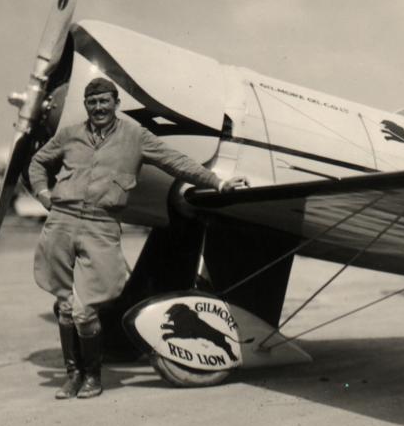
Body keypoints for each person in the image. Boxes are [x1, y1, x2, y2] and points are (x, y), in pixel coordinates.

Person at [29, 77, 248, 400]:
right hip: (61, 222)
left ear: (116, 104)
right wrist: (43, 194)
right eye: (92, 102)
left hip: (100, 226)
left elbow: (177, 162)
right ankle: (72, 376)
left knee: (85, 309)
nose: (98, 107)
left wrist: (216, 182)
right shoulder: (70, 135)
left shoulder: (136, 136)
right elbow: (38, 161)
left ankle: (92, 377)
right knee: (64, 307)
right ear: (86, 106)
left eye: (105, 101)